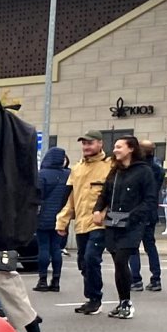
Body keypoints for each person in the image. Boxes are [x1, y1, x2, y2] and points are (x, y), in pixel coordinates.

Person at [93, 135, 160, 320]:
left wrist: (133, 217)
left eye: (119, 147)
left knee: (122, 260)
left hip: (132, 224)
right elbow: (104, 194)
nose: (115, 150)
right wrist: (98, 210)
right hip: (113, 223)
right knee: (117, 263)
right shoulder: (115, 171)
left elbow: (150, 200)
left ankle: (127, 303)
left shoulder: (144, 171)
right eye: (114, 147)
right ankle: (122, 301)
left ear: (131, 149)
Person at [56, 131, 113, 315]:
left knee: (91, 258)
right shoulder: (77, 168)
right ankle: (91, 297)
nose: (87, 147)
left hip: (100, 223)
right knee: (83, 262)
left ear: (100, 144)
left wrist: (104, 213)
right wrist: (62, 221)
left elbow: (113, 195)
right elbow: (71, 198)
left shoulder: (110, 166)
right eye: (84, 144)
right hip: (81, 223)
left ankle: (95, 298)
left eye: (90, 143)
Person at [127, 139, 165, 292]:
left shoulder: (137, 168)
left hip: (137, 211)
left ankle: (136, 279)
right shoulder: (158, 168)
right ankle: (156, 279)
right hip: (151, 212)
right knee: (150, 246)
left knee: (133, 247)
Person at [33, 146, 71, 292]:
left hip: (44, 217)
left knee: (43, 248)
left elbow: (37, 195)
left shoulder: (41, 174)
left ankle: (42, 280)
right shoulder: (68, 174)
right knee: (56, 248)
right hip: (62, 216)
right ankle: (56, 281)